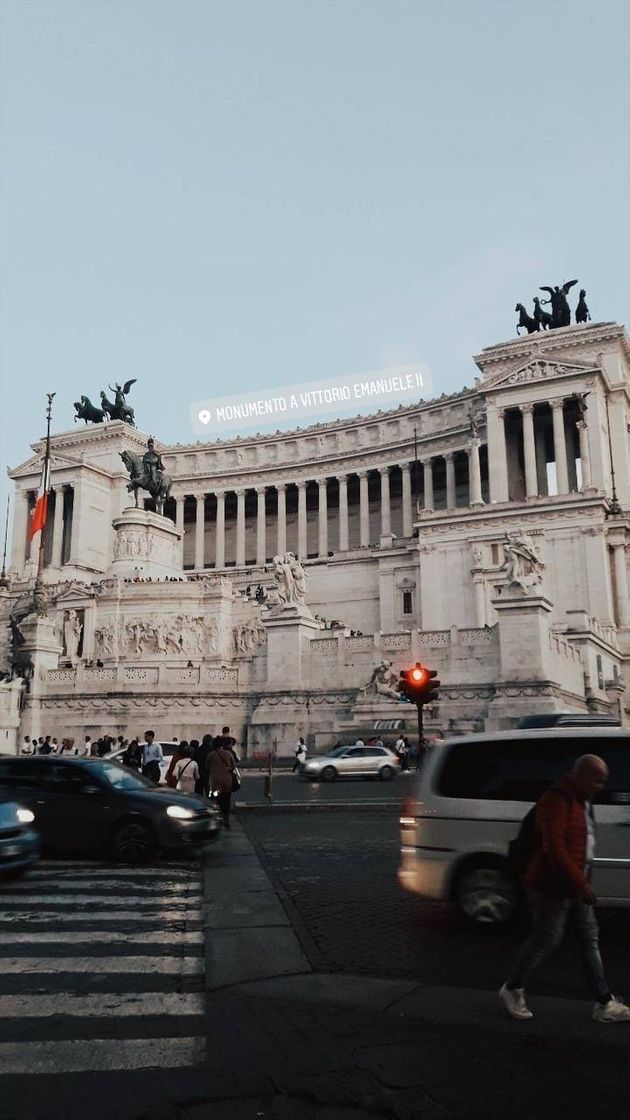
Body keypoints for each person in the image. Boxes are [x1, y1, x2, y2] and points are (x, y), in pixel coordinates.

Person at [500, 754, 630, 1024]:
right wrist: (581, 884)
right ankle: (512, 987)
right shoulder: (556, 800)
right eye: (597, 780)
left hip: (574, 884)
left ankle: (604, 1001)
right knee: (547, 939)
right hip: (551, 885)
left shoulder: (582, 799)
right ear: (580, 775)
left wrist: (583, 881)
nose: (601, 787)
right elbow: (555, 849)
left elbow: (583, 844)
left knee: (588, 938)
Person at [208, 734, 237, 829]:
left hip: (216, 783)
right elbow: (234, 766)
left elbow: (207, 767)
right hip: (227, 782)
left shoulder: (211, 755)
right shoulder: (228, 754)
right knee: (227, 799)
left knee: (218, 799)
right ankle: (226, 819)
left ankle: (219, 818)